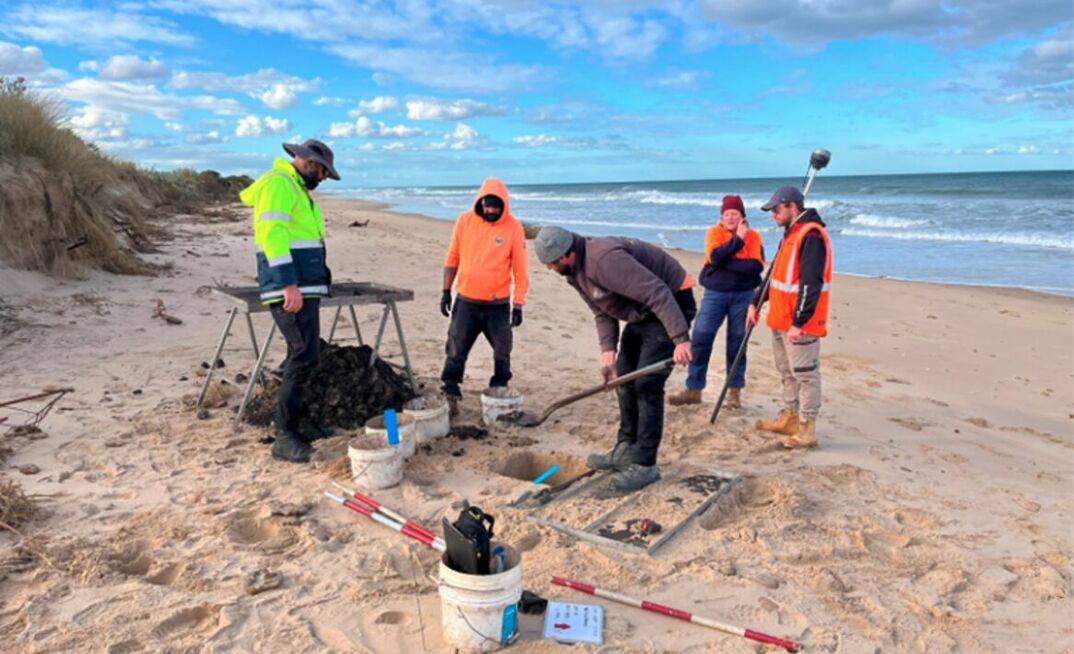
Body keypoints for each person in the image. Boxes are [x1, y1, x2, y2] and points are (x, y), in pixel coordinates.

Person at [534, 226, 696, 492]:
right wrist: (607, 354)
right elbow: (602, 311)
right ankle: (626, 449)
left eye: (552, 263)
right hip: (642, 311)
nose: (551, 268)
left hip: (671, 302)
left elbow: (657, 291)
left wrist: (680, 338)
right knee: (623, 376)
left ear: (567, 254)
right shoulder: (575, 272)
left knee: (646, 383)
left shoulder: (604, 260)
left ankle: (645, 465)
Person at [239, 139, 340, 463]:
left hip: (303, 287)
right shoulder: (280, 185)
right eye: (323, 171)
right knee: (302, 355)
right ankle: (285, 435)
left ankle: (297, 422)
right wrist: (289, 285)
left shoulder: (296, 188)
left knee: (307, 354)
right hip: (290, 289)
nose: (323, 177)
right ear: (308, 161)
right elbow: (273, 236)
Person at [747, 185, 832, 449]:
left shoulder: (811, 236)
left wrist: (799, 322)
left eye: (776, 209)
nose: (772, 214)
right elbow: (775, 276)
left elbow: (811, 284)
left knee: (805, 375)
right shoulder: (790, 234)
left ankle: (807, 428)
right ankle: (790, 417)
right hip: (780, 319)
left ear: (792, 207)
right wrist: (756, 302)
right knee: (787, 372)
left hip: (800, 324)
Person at [440, 179, 529, 414]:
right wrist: (445, 291)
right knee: (456, 347)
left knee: (503, 349)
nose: (491, 210)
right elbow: (452, 258)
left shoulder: (513, 228)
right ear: (480, 202)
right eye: (487, 205)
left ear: (504, 206)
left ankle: (499, 387)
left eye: (496, 206)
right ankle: (450, 388)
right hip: (466, 301)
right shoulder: (464, 221)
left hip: (497, 305)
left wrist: (518, 304)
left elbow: (520, 271)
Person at [668, 194, 763, 409]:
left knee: (737, 343)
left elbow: (755, 267)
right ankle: (694, 389)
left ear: (742, 216)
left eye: (734, 213)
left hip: (744, 295)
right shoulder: (714, 232)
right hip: (715, 294)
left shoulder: (754, 236)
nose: (730, 218)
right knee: (701, 336)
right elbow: (715, 258)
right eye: (726, 214)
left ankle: (734, 392)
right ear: (721, 217)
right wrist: (737, 241)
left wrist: (723, 263)